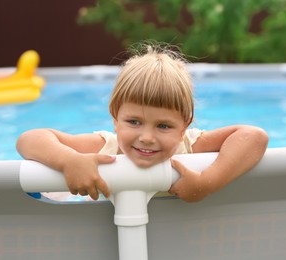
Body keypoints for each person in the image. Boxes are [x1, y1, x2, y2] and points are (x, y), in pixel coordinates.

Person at [16, 43, 269, 203]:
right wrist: (69, 160)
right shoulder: (106, 149)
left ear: (184, 127)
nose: (147, 137)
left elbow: (255, 137)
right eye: (134, 121)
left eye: (163, 126)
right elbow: (29, 139)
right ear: (116, 119)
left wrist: (207, 183)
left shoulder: (190, 146)